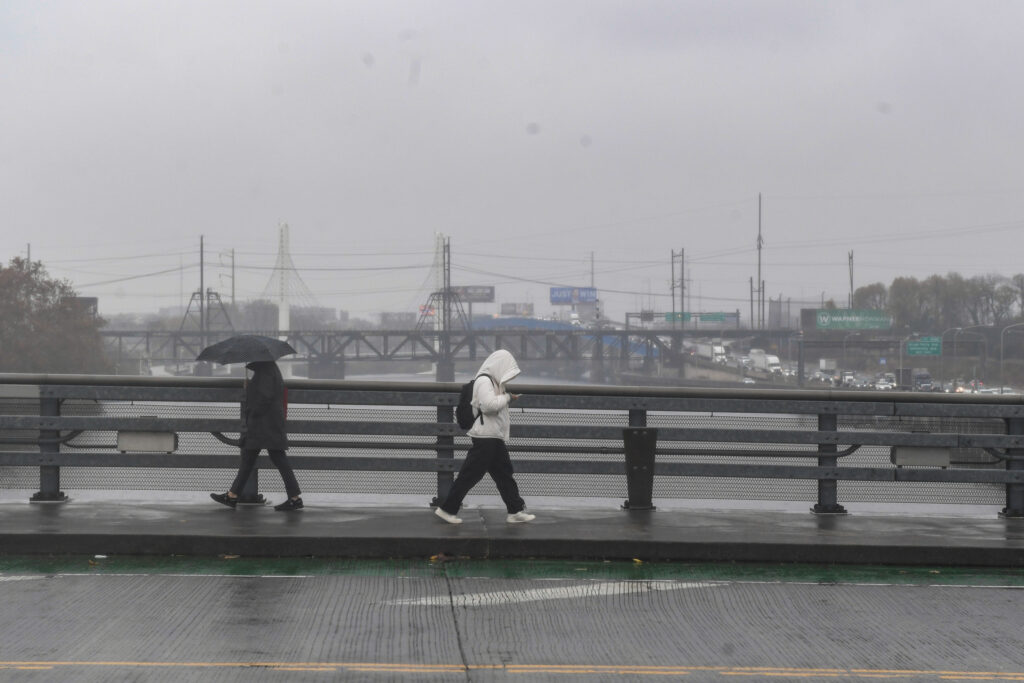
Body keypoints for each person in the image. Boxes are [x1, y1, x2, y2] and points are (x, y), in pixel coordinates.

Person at [434, 349, 535, 524]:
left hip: (493, 436)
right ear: (499, 366)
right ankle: (447, 509)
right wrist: (508, 398)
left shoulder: (494, 383)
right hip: (485, 437)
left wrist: (505, 396)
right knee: (471, 474)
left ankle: (515, 510)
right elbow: (489, 406)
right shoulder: (484, 381)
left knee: (503, 474)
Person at [211, 360, 303, 511]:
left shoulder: (265, 372)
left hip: (264, 424)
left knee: (276, 458)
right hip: (267, 423)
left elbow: (264, 397)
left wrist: (250, 400)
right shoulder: (268, 370)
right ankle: (232, 495)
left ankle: (294, 498)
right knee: (251, 458)